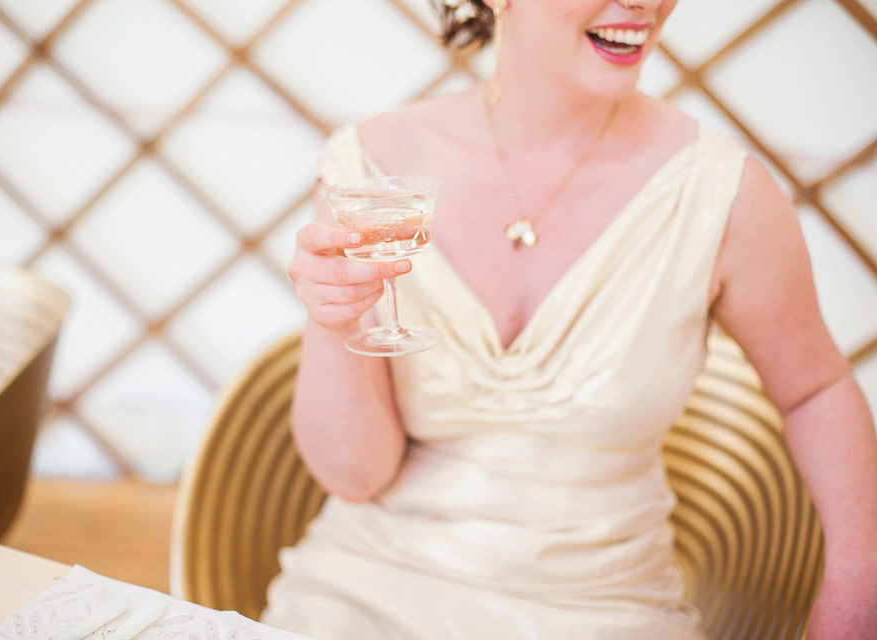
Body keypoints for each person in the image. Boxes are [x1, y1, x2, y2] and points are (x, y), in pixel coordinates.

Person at [267, 1, 877, 638]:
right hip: (360, 593)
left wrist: (858, 582)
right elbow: (354, 474)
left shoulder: (724, 195)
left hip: (604, 612)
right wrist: (334, 321)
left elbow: (816, 390)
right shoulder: (369, 171)